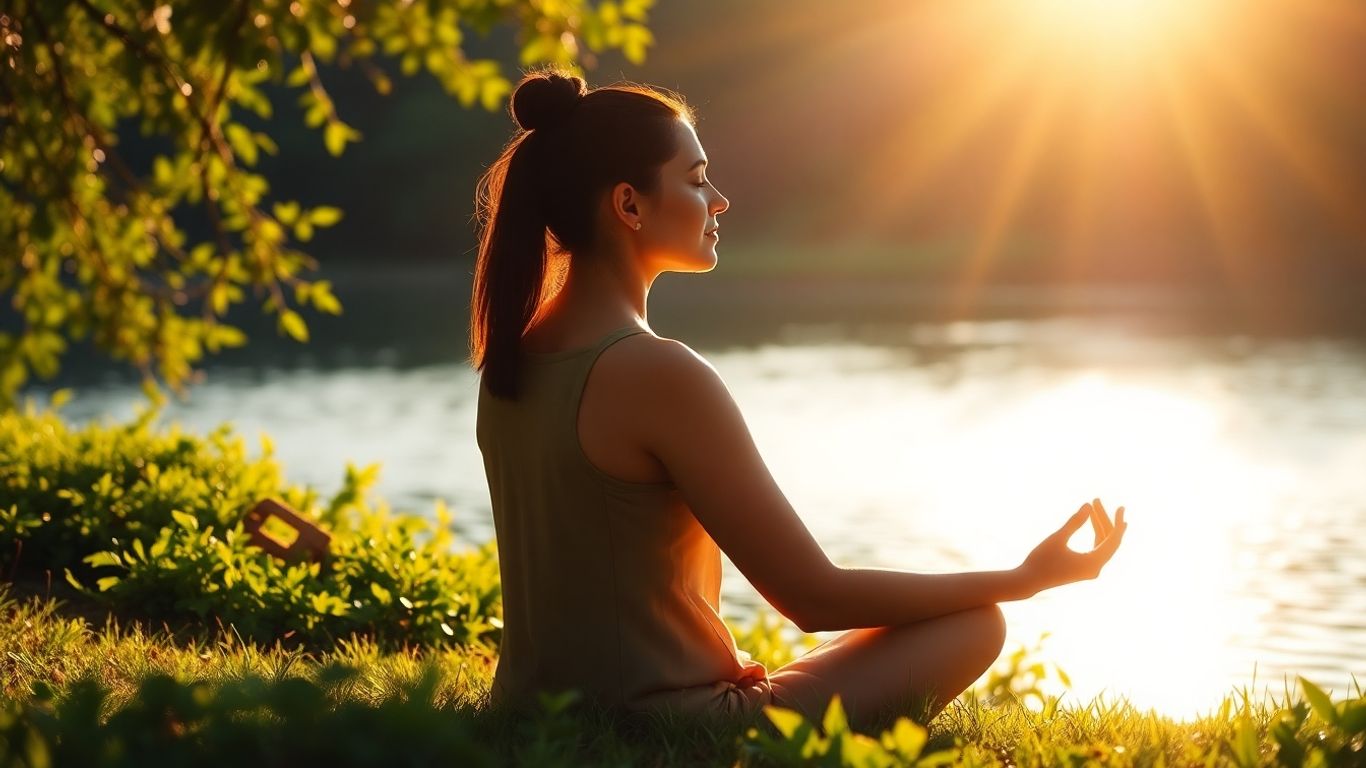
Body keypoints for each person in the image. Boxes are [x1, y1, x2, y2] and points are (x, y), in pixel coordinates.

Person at [468, 69, 1128, 733]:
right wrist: (1024, 577)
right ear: (629, 206)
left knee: (896, 633)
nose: (719, 200)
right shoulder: (655, 372)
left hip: (536, 716)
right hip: (669, 727)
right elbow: (813, 597)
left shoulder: (512, 360)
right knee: (972, 623)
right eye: (696, 179)